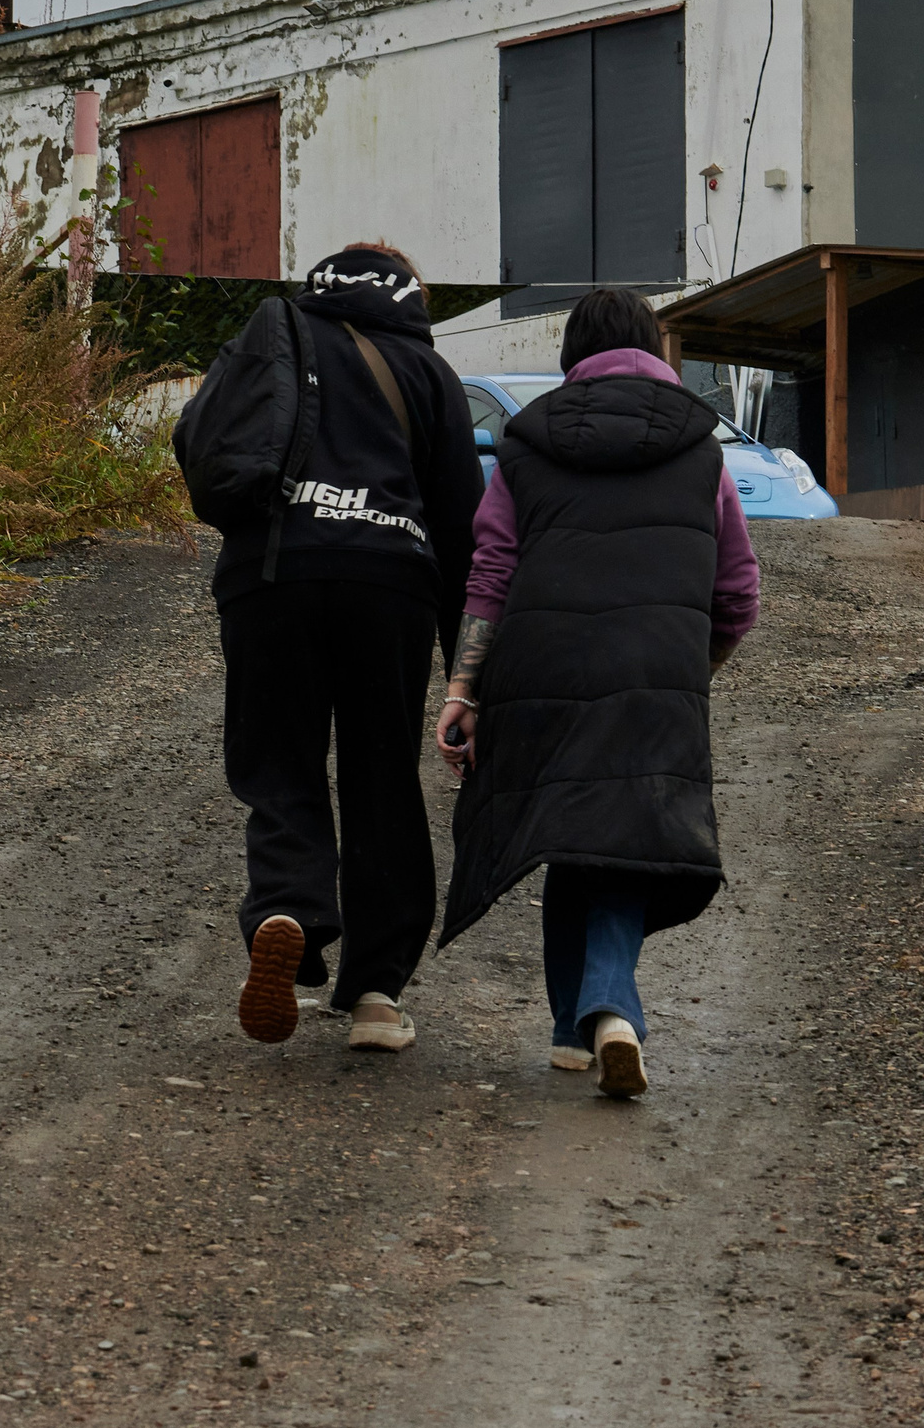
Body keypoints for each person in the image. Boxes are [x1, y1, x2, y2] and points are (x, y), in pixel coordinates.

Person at [435, 287, 760, 1098]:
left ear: (570, 356)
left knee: (566, 828)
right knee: (624, 835)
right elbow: (738, 593)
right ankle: (610, 1002)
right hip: (656, 667)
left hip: (541, 664)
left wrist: (462, 690)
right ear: (655, 347)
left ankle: (567, 1030)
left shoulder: (525, 443)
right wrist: (692, 664)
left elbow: (492, 569)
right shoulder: (703, 450)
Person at [212, 244, 483, 1052]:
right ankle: (374, 993)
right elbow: (463, 528)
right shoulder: (428, 373)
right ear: (410, 294)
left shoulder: (276, 336)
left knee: (279, 761)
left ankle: (287, 907)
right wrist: (465, 672)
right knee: (381, 776)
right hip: (388, 582)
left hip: (270, 577)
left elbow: (208, 445)